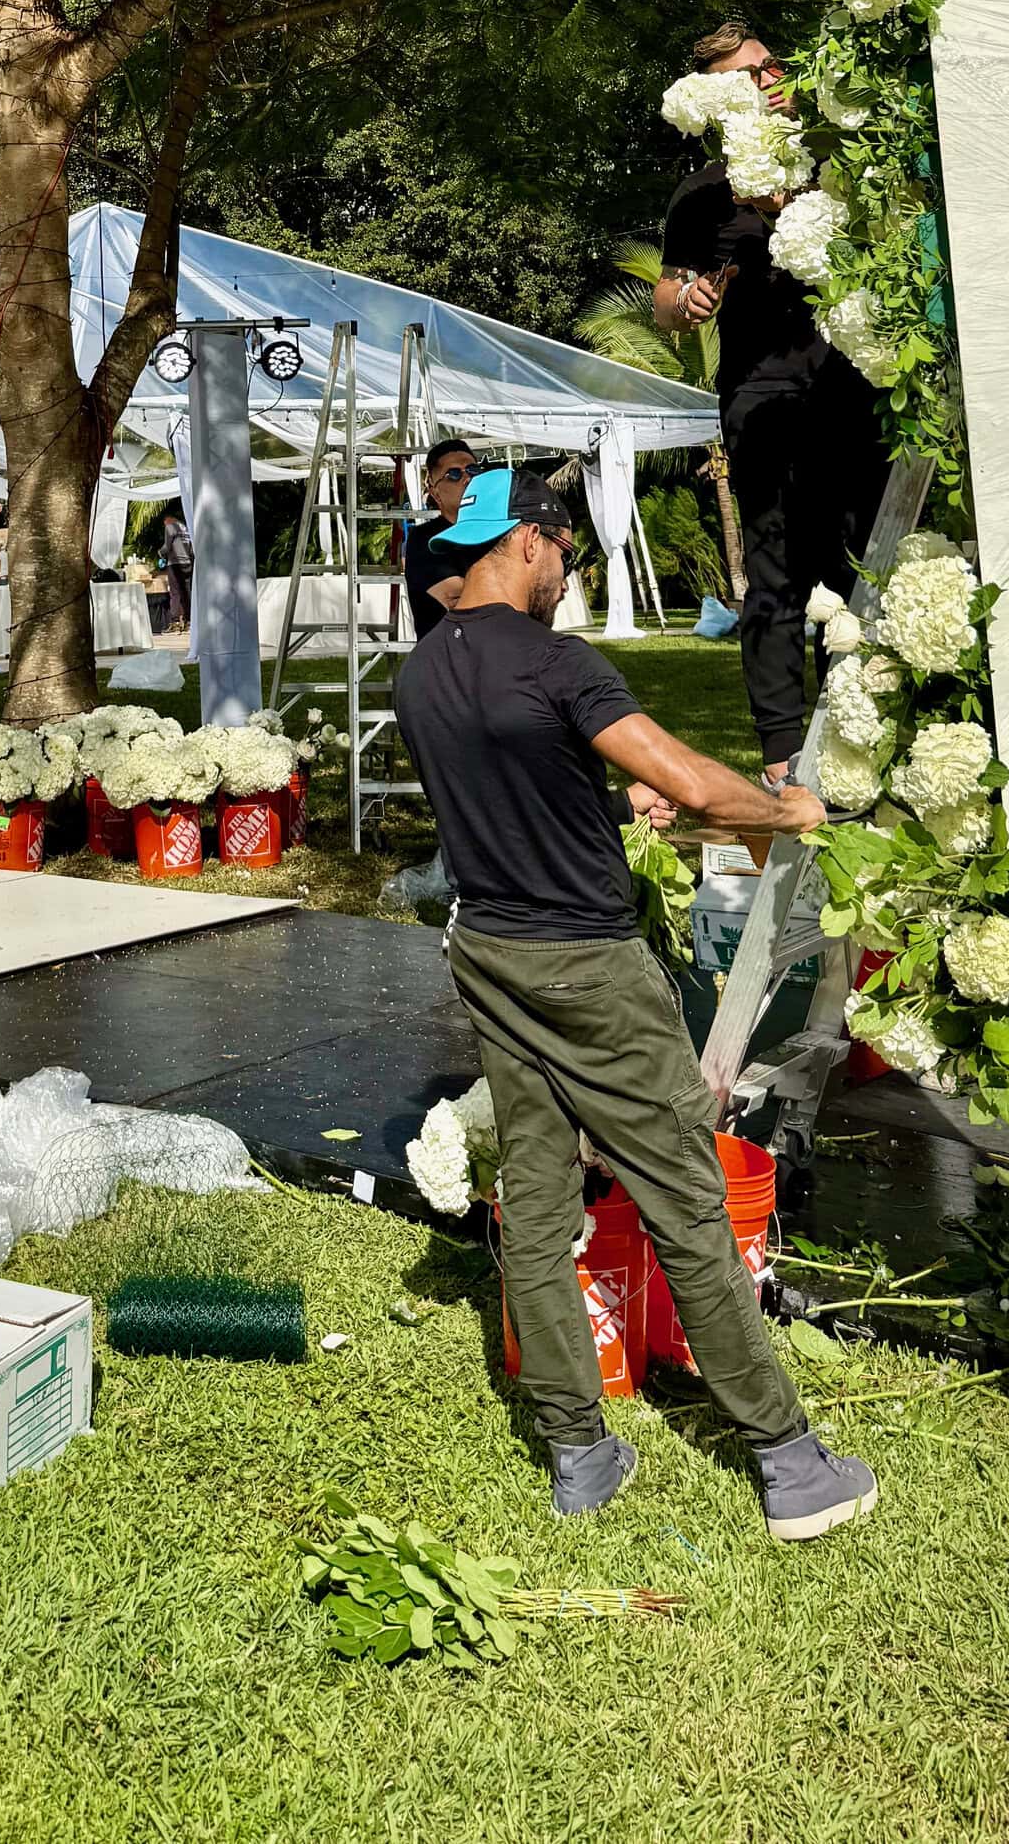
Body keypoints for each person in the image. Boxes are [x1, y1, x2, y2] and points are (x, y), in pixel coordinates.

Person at [394, 462, 877, 1541]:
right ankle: (790, 1463)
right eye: (563, 550)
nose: (567, 572)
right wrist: (787, 811)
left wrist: (617, 803)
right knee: (685, 1201)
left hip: (491, 951)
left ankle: (578, 1452)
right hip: (590, 972)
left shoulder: (421, 672)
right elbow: (701, 783)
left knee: (535, 1196)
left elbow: (508, 787)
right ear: (526, 540)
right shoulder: (557, 660)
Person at [658, 21, 888, 782]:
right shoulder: (700, 193)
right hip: (760, 398)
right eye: (743, 78)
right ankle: (784, 757)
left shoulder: (840, 156)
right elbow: (667, 296)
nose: (766, 82)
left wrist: (792, 198)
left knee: (861, 560)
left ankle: (861, 732)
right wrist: (685, 301)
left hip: (855, 384)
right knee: (776, 571)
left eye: (769, 66)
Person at [401, 437, 478, 641]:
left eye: (473, 470)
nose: (467, 479)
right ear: (435, 492)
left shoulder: (502, 532)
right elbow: (464, 604)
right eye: (454, 474)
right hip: (449, 657)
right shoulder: (425, 540)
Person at [159, 511, 194, 638]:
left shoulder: (170, 527)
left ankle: (174, 623)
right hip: (187, 563)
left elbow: (167, 547)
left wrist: (160, 553)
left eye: (164, 523)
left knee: (175, 593)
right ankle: (188, 622)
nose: (165, 525)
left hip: (175, 563)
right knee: (186, 592)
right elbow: (191, 549)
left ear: (168, 519)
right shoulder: (186, 527)